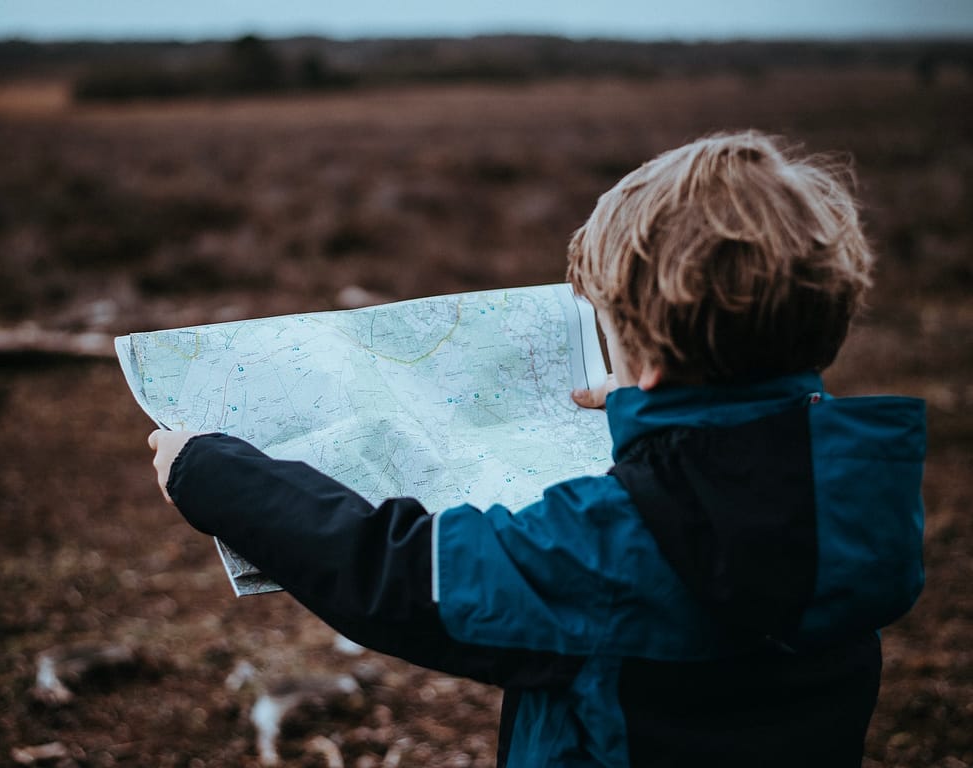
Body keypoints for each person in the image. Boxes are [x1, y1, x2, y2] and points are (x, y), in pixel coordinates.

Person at [147, 131, 925, 767]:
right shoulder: (861, 495)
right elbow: (741, 464)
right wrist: (648, 408)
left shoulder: (612, 544)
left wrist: (210, 472)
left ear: (646, 358)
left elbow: (400, 576)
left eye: (610, 332)